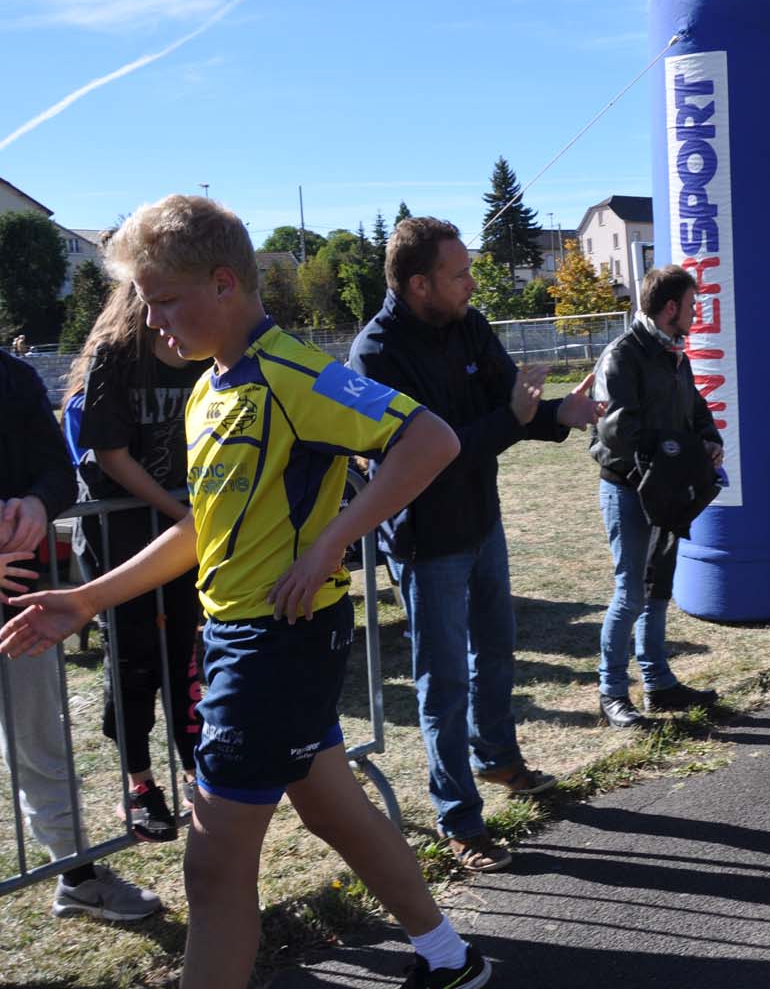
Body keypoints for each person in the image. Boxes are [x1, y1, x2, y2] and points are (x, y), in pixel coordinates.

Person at [2, 195, 489, 989]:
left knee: (214, 870)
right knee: (334, 810)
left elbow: (430, 440)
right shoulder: (207, 391)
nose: (152, 323)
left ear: (224, 283)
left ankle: (449, 956)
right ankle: (449, 957)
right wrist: (87, 599)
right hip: (242, 640)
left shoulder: (296, 372)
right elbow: (201, 531)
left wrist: (334, 537)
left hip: (275, 645)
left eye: (163, 301)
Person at [349, 216, 600, 873]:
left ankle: (499, 760)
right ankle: (458, 820)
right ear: (418, 282)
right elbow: (430, 457)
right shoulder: (376, 355)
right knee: (444, 680)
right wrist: (514, 420)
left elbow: (506, 404)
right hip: (427, 540)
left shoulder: (470, 324)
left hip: (482, 523)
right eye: (458, 275)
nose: (470, 284)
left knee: (495, 653)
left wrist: (557, 416)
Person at [1, 347, 163, 923]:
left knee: (41, 744)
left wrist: (38, 503)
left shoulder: (11, 375)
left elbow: (60, 471)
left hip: (16, 603)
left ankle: (75, 875)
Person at [67, 280, 211, 843]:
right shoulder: (116, 358)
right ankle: (139, 785)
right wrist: (175, 508)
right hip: (122, 534)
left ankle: (196, 771)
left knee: (186, 656)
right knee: (132, 660)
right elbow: (110, 454)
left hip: (184, 531)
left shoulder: (201, 354)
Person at [588, 265, 725, 730]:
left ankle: (659, 684)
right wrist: (683, 449)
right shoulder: (623, 354)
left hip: (665, 485)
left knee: (656, 590)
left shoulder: (673, 352)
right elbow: (616, 429)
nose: (696, 312)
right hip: (628, 488)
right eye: (691, 304)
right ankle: (611, 694)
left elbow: (695, 405)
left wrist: (706, 436)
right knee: (630, 594)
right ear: (670, 308)